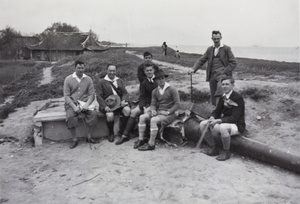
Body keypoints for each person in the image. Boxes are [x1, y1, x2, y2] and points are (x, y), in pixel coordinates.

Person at [199, 76, 245, 161]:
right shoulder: (222, 96)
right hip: (225, 122)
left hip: (237, 125)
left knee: (223, 127)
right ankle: (213, 148)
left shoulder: (238, 98)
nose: (224, 86)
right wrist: (212, 117)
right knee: (203, 124)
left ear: (232, 85)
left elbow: (235, 118)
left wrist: (218, 120)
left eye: (227, 84)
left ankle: (226, 152)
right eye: (223, 84)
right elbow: (217, 111)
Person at [135, 69, 180, 151]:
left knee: (153, 120)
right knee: (142, 117)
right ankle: (141, 140)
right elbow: (153, 104)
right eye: (158, 79)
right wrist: (153, 110)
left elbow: (177, 104)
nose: (161, 80)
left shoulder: (172, 89)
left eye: (162, 78)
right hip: (159, 112)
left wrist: (168, 112)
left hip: (169, 114)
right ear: (155, 80)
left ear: (165, 79)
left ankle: (151, 144)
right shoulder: (155, 91)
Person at [190, 30, 237, 106]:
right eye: (214, 39)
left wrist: (225, 71)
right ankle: (215, 112)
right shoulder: (209, 49)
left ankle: (222, 110)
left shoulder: (226, 48)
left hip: (223, 75)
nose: (216, 40)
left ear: (221, 38)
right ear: (212, 38)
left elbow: (233, 62)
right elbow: (202, 60)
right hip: (212, 75)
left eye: (218, 38)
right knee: (213, 95)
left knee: (220, 90)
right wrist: (193, 69)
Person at [115, 64, 158, 145]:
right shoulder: (144, 82)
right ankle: (125, 135)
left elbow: (159, 97)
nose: (149, 72)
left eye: (150, 70)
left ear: (153, 71)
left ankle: (145, 137)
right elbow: (142, 96)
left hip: (155, 104)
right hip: (146, 104)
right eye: (147, 70)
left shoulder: (157, 81)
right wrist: (143, 106)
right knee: (134, 112)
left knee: (146, 114)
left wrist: (150, 107)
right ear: (144, 72)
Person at [63, 60, 99, 149]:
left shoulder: (88, 79)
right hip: (73, 104)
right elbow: (66, 96)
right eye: (78, 68)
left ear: (84, 68)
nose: (80, 70)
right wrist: (74, 107)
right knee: (71, 117)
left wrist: (87, 105)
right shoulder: (68, 79)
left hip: (85, 103)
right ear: (75, 68)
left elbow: (92, 94)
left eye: (82, 68)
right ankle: (74, 139)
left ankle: (89, 137)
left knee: (94, 114)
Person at [95, 64, 131, 143]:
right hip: (108, 105)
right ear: (107, 71)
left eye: (113, 71)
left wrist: (124, 100)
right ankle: (111, 133)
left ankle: (122, 131)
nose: (112, 72)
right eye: (110, 71)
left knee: (127, 110)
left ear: (116, 71)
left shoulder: (119, 80)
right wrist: (104, 106)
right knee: (110, 115)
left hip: (119, 104)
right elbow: (98, 96)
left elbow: (125, 92)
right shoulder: (101, 82)